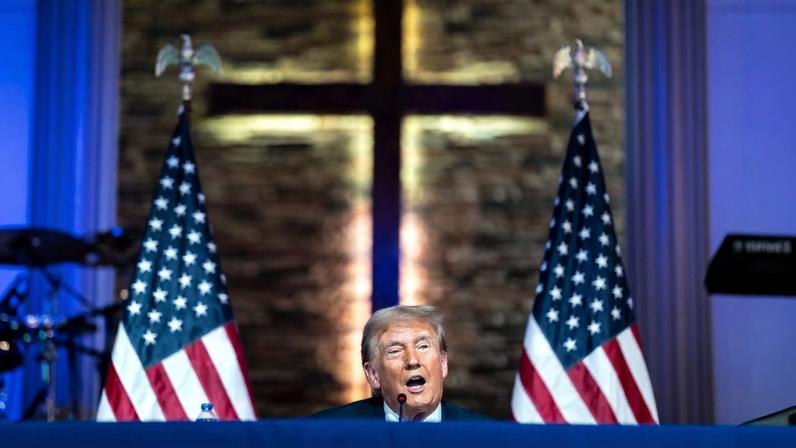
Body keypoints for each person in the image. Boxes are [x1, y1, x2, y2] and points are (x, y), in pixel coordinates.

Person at [310, 305, 487, 421]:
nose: (412, 360)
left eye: (423, 346)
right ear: (373, 374)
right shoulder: (325, 431)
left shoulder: (486, 437)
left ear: (442, 363)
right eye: (395, 351)